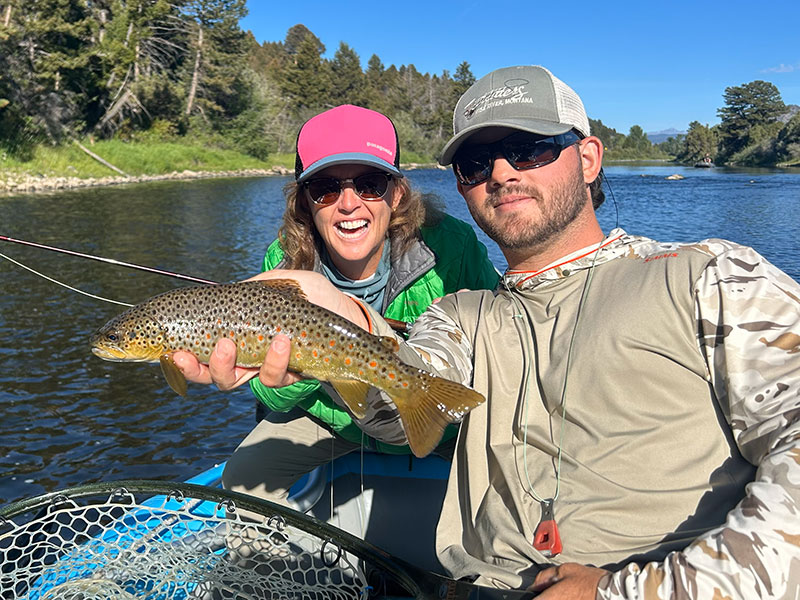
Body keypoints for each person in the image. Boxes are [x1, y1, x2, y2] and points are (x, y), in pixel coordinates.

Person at [176, 66, 800, 599]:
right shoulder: (461, 316)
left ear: (588, 158)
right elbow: (403, 409)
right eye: (476, 164)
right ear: (462, 186)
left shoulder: (711, 276)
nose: (501, 173)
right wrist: (340, 322)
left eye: (529, 149)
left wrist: (625, 591)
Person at [204, 104, 499, 509]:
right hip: (336, 420)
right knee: (242, 479)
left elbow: (500, 337)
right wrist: (307, 367)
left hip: (442, 420)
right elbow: (271, 398)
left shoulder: (452, 246)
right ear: (305, 202)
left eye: (370, 184)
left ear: (397, 194)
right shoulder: (283, 264)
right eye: (325, 188)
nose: (348, 203)